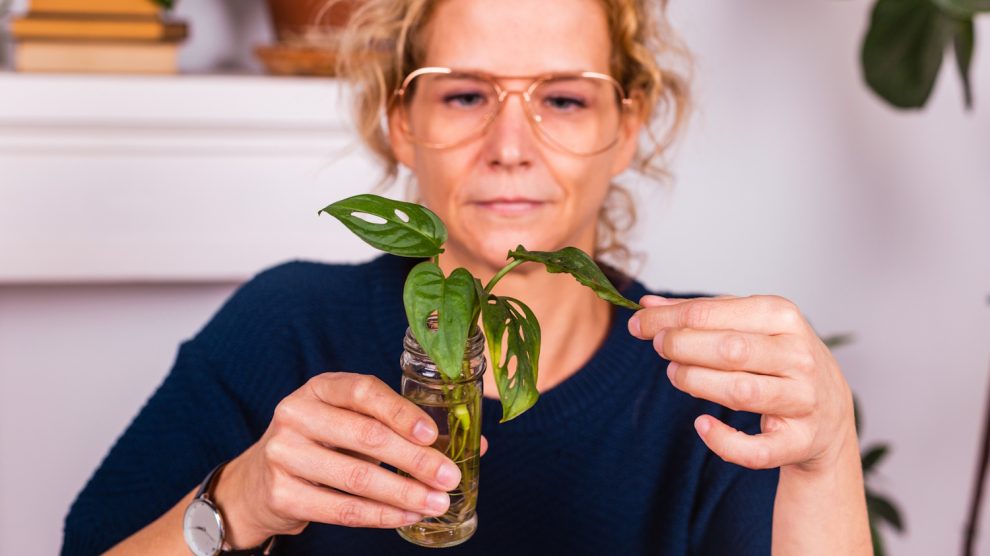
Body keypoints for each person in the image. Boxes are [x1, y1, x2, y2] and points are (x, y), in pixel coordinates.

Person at [61, 0, 871, 554]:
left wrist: (828, 456)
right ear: (399, 123)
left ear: (627, 127)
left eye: (562, 99)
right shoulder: (287, 327)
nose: (510, 144)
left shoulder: (711, 382)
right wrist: (240, 501)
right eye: (463, 95)